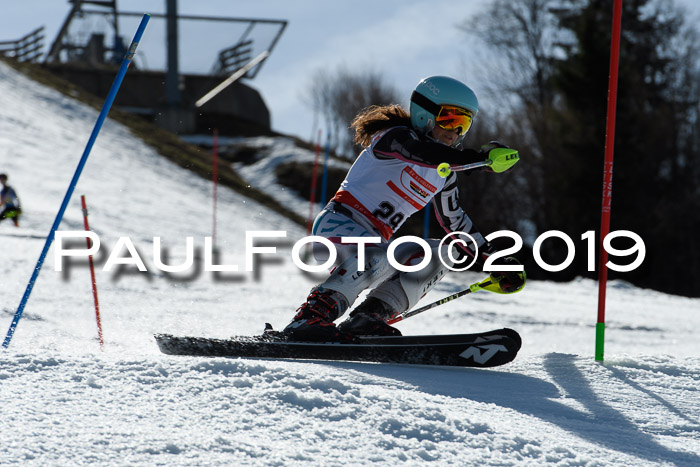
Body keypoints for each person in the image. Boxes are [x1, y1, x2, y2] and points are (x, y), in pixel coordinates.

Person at [283, 76, 524, 341]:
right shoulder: (395, 138)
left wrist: (493, 259)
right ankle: (310, 317)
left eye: (462, 124)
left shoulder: (444, 174)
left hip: (376, 244)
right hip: (336, 226)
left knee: (442, 254)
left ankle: (369, 318)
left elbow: (455, 221)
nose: (453, 131)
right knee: (379, 255)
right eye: (448, 119)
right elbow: (420, 153)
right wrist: (477, 159)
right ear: (425, 114)